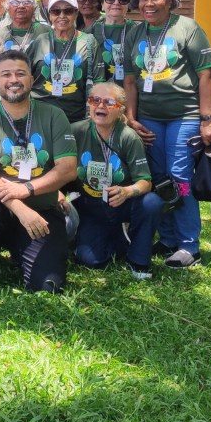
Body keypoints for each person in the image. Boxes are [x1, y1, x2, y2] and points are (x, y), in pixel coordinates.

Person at [0, 50, 77, 292]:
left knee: (47, 286)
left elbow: (68, 169)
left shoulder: (54, 115)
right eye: (6, 74)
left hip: (41, 206)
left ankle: (18, 247)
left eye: (20, 73)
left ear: (32, 80)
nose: (14, 79)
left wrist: (27, 189)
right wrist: (19, 206)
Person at [123, 0, 211, 269]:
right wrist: (130, 117)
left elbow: (206, 74)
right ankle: (166, 238)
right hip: (150, 117)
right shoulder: (135, 32)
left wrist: (207, 119)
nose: (148, 4)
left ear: (170, 1)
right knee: (158, 176)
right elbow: (130, 80)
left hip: (185, 115)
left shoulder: (186, 27)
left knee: (180, 178)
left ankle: (189, 244)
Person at [71, 82, 163, 280]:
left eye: (109, 102)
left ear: (120, 108)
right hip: (91, 206)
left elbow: (145, 182)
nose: (100, 106)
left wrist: (127, 192)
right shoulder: (76, 131)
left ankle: (138, 260)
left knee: (151, 202)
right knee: (90, 261)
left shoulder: (129, 137)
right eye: (95, 100)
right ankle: (119, 237)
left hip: (120, 203)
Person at [28, 0, 100, 123]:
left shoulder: (89, 42)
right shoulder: (40, 41)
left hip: (74, 118)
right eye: (56, 11)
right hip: (39, 117)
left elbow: (99, 81)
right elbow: (25, 76)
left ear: (76, 13)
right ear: (49, 15)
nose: (62, 16)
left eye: (68, 11)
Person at [87, 0, 139, 85]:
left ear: (128, 4)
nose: (116, 3)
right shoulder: (89, 32)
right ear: (102, 3)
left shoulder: (137, 30)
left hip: (131, 94)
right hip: (100, 96)